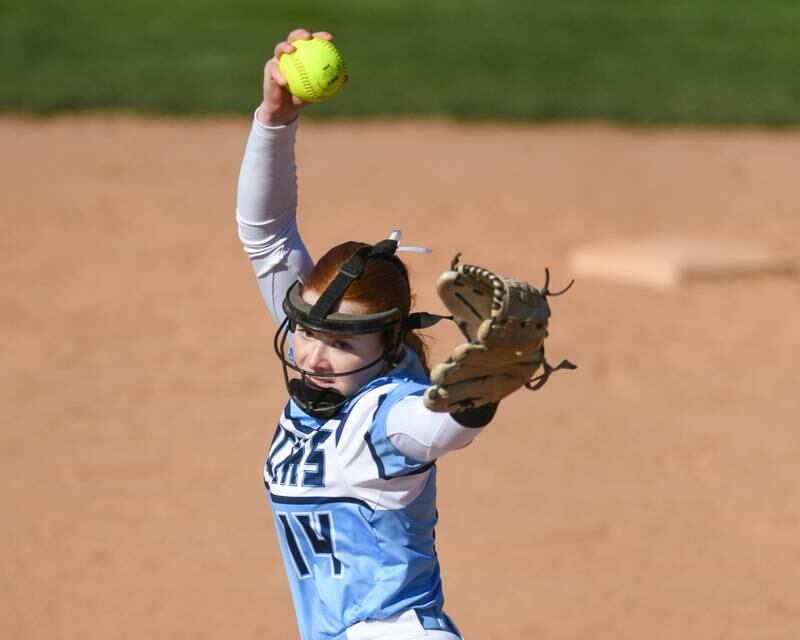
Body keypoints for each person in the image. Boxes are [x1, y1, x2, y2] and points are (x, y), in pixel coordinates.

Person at [236, 29, 497, 640]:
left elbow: (435, 426)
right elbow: (266, 234)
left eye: (343, 345)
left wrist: (480, 388)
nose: (315, 358)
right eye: (307, 332)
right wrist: (274, 118)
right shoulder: (327, 349)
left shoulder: (384, 409)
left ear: (389, 348)